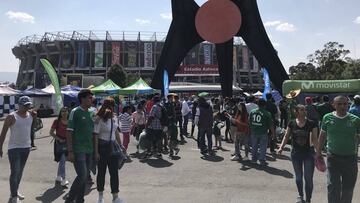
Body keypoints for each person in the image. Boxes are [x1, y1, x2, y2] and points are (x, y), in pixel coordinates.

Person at [316, 96, 360, 203]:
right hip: (333, 157)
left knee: (348, 189)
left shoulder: (355, 120)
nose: (343, 106)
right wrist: (318, 153)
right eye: (339, 104)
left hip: (350, 159)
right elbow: (322, 136)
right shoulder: (327, 118)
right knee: (333, 186)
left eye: (345, 104)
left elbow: (358, 138)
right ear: (333, 105)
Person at [277, 104, 319, 203]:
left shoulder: (312, 123)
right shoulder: (291, 123)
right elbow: (286, 136)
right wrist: (281, 147)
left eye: (305, 109)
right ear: (296, 111)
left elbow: (315, 139)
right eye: (301, 109)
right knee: (298, 177)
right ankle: (300, 196)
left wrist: (319, 153)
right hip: (296, 154)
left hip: (309, 154)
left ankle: (308, 199)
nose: (304, 111)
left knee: (308, 178)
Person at [0, 96, 36, 203]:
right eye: (25, 105)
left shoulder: (31, 115)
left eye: (28, 105)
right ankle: (14, 196)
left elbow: (33, 129)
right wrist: (0, 147)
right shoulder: (12, 116)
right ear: (19, 105)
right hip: (14, 148)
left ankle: (14, 191)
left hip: (26, 147)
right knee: (15, 172)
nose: (27, 107)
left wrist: (35, 116)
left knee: (20, 172)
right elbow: (3, 133)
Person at [65, 89, 95, 203]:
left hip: (89, 149)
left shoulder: (92, 112)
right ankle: (69, 200)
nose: (91, 100)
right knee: (82, 175)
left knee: (85, 176)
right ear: (82, 99)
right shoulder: (75, 111)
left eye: (92, 98)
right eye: (89, 98)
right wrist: (70, 151)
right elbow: (69, 132)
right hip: (78, 149)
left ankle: (80, 200)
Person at [94, 98, 124, 203]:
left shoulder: (115, 118)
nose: (112, 107)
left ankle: (115, 197)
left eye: (113, 105)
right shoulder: (99, 119)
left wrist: (121, 145)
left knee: (114, 173)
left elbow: (115, 132)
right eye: (110, 105)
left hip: (113, 147)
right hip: (102, 148)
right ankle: (100, 196)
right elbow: (96, 136)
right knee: (101, 172)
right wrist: (96, 151)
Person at [249, 99, 275, 166]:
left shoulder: (252, 112)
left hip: (254, 132)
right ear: (265, 105)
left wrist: (251, 129)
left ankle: (253, 159)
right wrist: (273, 133)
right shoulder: (267, 113)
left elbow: (249, 122)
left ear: (257, 104)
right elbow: (270, 124)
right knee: (263, 147)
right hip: (263, 132)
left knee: (254, 146)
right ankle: (262, 160)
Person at [50, 107, 70, 187]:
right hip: (59, 143)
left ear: (68, 112)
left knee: (63, 160)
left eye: (65, 111)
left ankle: (59, 176)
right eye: (62, 111)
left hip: (68, 143)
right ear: (60, 113)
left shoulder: (71, 121)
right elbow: (51, 132)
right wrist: (59, 139)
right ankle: (64, 179)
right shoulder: (56, 121)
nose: (64, 113)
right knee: (62, 160)